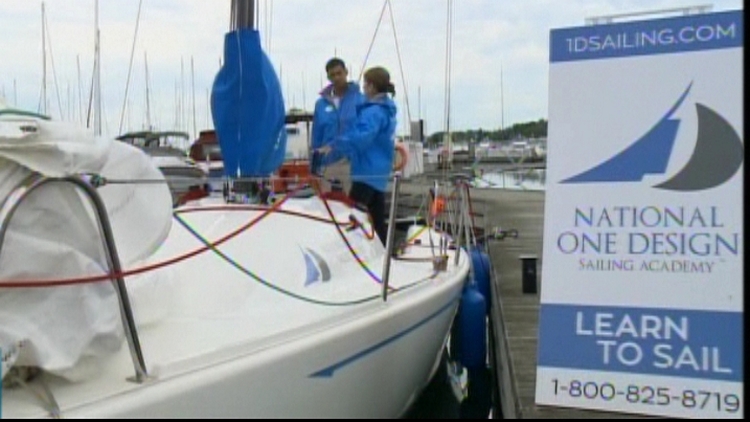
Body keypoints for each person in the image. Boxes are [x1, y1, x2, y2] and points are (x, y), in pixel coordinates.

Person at [317, 66, 397, 245]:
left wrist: (335, 146)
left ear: (371, 86)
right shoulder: (386, 110)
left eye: (365, 84)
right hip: (378, 174)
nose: (363, 88)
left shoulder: (373, 112)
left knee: (352, 216)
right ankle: (384, 255)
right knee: (377, 220)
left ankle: (354, 257)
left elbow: (362, 136)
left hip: (366, 172)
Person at [311, 58, 365, 194]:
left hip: (353, 163)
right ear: (328, 77)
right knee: (326, 205)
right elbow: (316, 136)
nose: (336, 77)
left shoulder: (360, 99)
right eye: (332, 75)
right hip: (328, 164)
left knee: (355, 205)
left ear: (346, 72)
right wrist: (313, 166)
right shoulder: (320, 104)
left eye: (339, 73)